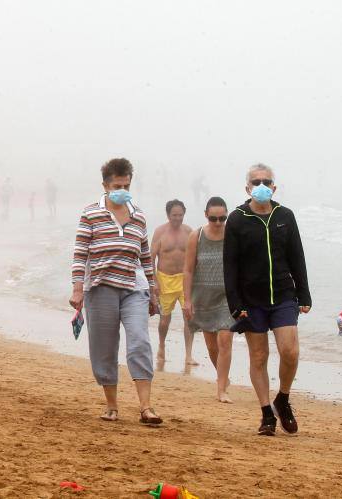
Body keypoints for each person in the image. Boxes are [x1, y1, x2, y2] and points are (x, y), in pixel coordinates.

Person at [69, 158, 161, 425]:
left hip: (133, 288)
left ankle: (146, 406)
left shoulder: (139, 215)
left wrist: (153, 292)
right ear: (105, 185)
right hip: (100, 288)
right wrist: (77, 289)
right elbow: (80, 253)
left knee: (139, 341)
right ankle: (111, 405)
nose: (122, 189)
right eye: (117, 185)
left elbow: (145, 257)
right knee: (104, 347)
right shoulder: (91, 213)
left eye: (126, 184)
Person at [224, 163, 311, 436]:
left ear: (274, 186)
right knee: (259, 355)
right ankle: (266, 414)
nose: (261, 184)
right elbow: (230, 265)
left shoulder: (285, 215)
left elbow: (297, 256)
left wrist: (304, 293)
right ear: (247, 187)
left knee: (290, 351)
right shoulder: (237, 219)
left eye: (266, 181)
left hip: (284, 295)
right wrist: (235, 304)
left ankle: (282, 399)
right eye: (256, 181)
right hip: (251, 300)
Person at [182, 197, 234, 402]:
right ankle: (223, 377)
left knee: (225, 340)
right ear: (206, 215)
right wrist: (187, 300)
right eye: (214, 218)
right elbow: (188, 270)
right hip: (203, 297)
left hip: (227, 297)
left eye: (223, 218)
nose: (219, 223)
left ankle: (221, 390)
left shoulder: (232, 234)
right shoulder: (197, 236)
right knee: (212, 347)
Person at [151, 200, 195, 364]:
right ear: (168, 215)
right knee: (164, 320)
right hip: (165, 280)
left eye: (180, 215)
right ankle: (162, 346)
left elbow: (194, 259)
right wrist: (154, 281)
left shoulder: (189, 231)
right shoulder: (160, 232)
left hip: (184, 280)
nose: (178, 218)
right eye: (174, 215)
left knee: (189, 318)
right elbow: (151, 258)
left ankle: (188, 355)